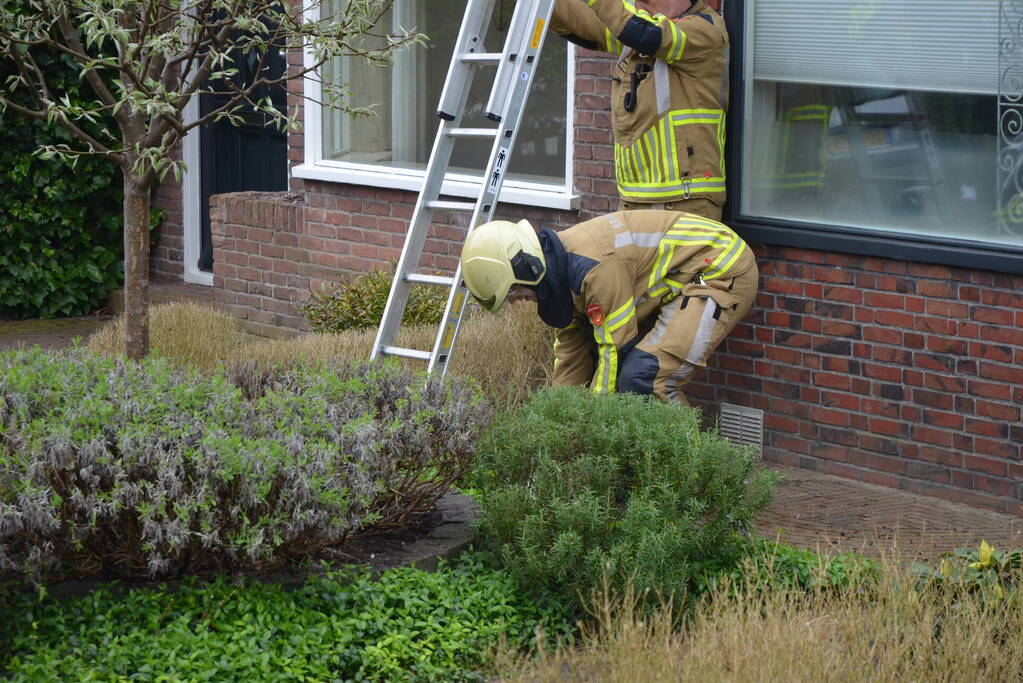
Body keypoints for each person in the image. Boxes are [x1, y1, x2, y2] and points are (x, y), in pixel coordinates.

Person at [459, 211, 757, 404]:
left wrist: (594, 423)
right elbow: (572, 358)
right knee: (626, 378)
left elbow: (615, 348)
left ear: (525, 268)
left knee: (644, 377)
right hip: (679, 279)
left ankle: (697, 476)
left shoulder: (591, 269)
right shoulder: (559, 274)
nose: (516, 305)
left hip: (717, 268)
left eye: (514, 295)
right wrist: (560, 414)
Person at [550, 0, 730, 220]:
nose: (639, 6)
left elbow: (649, 35)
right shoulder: (637, 33)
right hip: (634, 199)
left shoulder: (704, 29)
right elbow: (579, 20)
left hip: (685, 202)